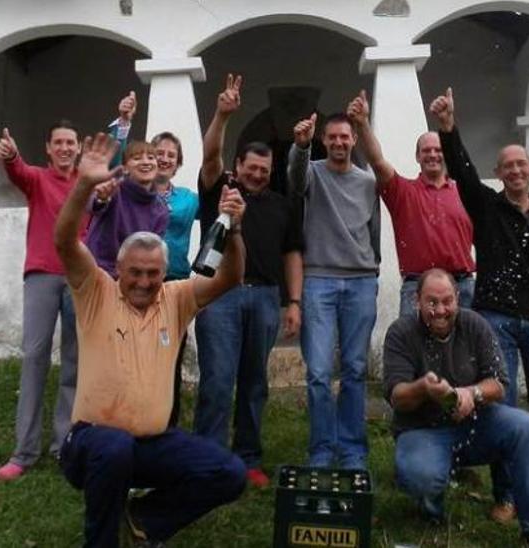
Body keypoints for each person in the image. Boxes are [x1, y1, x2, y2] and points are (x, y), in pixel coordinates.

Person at [54, 132, 249, 548]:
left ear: (164, 273)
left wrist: (233, 231)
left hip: (150, 446)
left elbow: (231, 276)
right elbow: (65, 241)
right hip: (92, 444)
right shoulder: (97, 292)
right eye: (135, 273)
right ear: (119, 271)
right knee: (113, 445)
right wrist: (85, 185)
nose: (143, 282)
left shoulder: (175, 299)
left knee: (229, 473)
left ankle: (144, 519)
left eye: (152, 273)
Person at [431, 87, 529, 526]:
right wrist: (448, 128)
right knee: (503, 409)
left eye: (521, 165)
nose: (514, 171)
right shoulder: (487, 209)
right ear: (499, 172)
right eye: (506, 166)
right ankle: (507, 495)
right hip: (497, 320)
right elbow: (464, 173)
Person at [384, 269, 529, 547]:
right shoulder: (400, 332)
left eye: (447, 301)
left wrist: (471, 393)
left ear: (458, 298)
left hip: (476, 423)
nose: (440, 310)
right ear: (417, 300)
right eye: (431, 302)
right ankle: (431, 510)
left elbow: (499, 384)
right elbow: (396, 397)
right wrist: (423, 388)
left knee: (526, 427)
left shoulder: (475, 324)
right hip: (422, 429)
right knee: (420, 475)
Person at [193, 74, 304, 487]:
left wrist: (294, 302)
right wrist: (222, 114)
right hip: (220, 296)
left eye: (264, 170)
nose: (257, 175)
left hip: (265, 298)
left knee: (255, 383)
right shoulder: (220, 190)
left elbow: (293, 252)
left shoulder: (281, 205)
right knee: (218, 382)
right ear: (237, 166)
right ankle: (206, 457)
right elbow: (209, 157)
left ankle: (248, 457)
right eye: (251, 168)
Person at [288, 111, 381, 470]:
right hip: (319, 281)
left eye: (345, 137)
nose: (340, 143)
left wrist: (373, 271)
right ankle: (322, 449)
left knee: (356, 369)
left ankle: (353, 449)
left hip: (360, 281)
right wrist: (299, 146)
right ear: (323, 141)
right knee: (319, 372)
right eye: (333, 138)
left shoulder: (367, 182)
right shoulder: (311, 172)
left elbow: (373, 232)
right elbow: (294, 181)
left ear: (354, 139)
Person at [0, 120, 84, 482]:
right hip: (42, 276)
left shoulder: (86, 185)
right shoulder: (37, 180)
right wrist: (11, 154)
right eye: (58, 142)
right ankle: (24, 452)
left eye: (70, 142)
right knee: (34, 358)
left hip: (79, 279)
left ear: (77, 149)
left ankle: (65, 445)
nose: (64, 148)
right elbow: (17, 169)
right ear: (48, 148)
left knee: (76, 364)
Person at [346, 90, 476, 315]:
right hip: (416, 287)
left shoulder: (466, 192)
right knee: (414, 350)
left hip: (462, 287)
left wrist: (448, 121)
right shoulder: (402, 192)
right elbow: (376, 161)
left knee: (468, 350)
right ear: (417, 157)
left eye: (438, 150)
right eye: (426, 151)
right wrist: (362, 124)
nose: (433, 155)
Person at [83, 92, 169, 277]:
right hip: (97, 273)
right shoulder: (116, 188)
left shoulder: (160, 209)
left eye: (151, 157)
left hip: (132, 280)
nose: (146, 162)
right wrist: (123, 121)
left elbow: (152, 249)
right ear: (126, 167)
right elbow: (93, 204)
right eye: (137, 158)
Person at [149, 130, 199, 427]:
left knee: (172, 355)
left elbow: (216, 203)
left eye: (171, 155)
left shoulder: (187, 199)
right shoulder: (136, 191)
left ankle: (168, 424)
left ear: (178, 164)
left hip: (175, 283)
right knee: (140, 352)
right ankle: (141, 420)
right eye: (160, 153)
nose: (165, 158)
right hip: (140, 283)